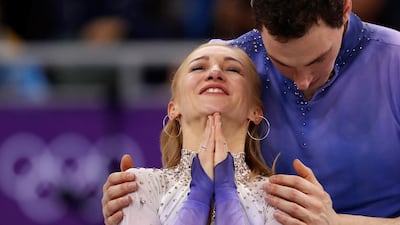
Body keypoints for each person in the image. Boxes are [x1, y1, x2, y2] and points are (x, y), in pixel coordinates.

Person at [102, 0, 400, 224]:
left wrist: (335, 222)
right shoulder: (230, 64)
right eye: (281, 63)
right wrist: (137, 202)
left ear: (346, 8)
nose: (303, 80)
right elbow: (187, 169)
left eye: (318, 60)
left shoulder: (394, 62)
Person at [117, 43, 281, 225]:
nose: (215, 73)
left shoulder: (278, 197)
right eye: (198, 67)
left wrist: (226, 191)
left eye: (233, 69)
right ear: (173, 108)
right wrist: (199, 195)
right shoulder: (142, 185)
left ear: (256, 111)